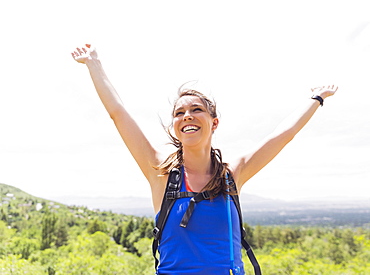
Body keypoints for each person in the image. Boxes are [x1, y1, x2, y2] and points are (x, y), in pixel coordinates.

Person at [71, 44, 338, 274]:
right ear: (174, 125)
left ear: (214, 122)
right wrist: (94, 65)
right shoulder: (161, 173)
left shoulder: (233, 174)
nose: (187, 115)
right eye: (179, 112)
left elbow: (284, 134)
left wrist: (317, 98)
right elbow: (118, 113)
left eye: (196, 110)